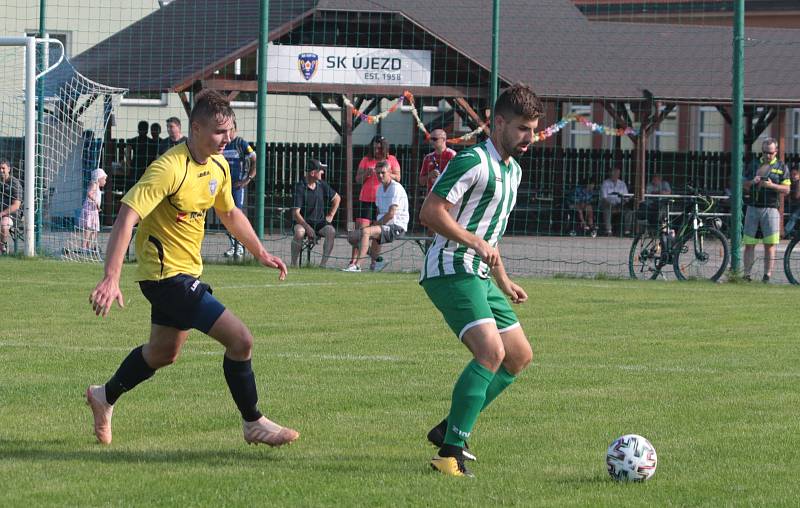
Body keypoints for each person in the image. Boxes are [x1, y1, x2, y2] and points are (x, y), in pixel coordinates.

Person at [86, 89, 298, 447]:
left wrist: (260, 251)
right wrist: (111, 277)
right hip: (165, 277)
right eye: (219, 132)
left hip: (185, 274)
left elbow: (229, 213)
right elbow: (128, 214)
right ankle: (253, 422)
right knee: (241, 340)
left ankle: (103, 396)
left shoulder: (218, 166)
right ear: (195, 129)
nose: (226, 139)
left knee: (163, 353)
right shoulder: (169, 167)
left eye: (229, 131)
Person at [418, 83, 543, 477]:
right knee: (491, 353)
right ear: (499, 123)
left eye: (534, 129)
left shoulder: (514, 172)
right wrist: (473, 242)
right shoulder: (472, 160)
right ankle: (448, 453)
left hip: (481, 274)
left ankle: (450, 425)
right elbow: (431, 212)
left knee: (519, 356)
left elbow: (490, 236)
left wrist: (504, 280)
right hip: (451, 268)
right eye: (523, 128)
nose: (530, 137)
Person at [343, 160, 409, 272]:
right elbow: (379, 212)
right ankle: (378, 259)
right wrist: (375, 225)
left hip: (396, 226)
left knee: (366, 232)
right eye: (378, 173)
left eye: (383, 172)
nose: (380, 175)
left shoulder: (395, 188)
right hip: (383, 225)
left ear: (390, 172)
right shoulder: (379, 189)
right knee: (352, 237)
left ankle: (357, 266)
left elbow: (391, 214)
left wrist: (373, 226)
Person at [742, 138, 790, 282]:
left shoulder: (782, 167)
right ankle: (746, 275)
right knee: (749, 244)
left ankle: (766, 276)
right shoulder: (754, 164)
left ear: (775, 152)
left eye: (770, 153)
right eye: (764, 152)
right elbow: (743, 184)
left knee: (769, 245)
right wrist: (753, 182)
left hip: (771, 209)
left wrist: (771, 186)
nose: (767, 155)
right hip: (752, 207)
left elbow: (787, 189)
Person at [291, 159, 340, 268]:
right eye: (321, 170)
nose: (323, 172)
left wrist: (330, 216)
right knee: (299, 232)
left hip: (319, 223)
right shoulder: (300, 187)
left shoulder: (322, 184)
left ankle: (322, 265)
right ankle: (293, 265)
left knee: (331, 231)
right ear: (313, 173)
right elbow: (296, 213)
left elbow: (337, 198)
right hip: (302, 222)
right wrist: (308, 228)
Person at [222, 120, 257, 258]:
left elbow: (254, 158)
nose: (226, 133)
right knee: (225, 217)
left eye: (229, 129)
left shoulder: (240, 143)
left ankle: (240, 246)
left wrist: (248, 178)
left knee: (236, 215)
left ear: (235, 129)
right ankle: (233, 245)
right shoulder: (222, 144)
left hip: (237, 186)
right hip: (223, 187)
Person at [355, 135, 401, 229]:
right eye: (374, 148)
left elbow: (398, 178)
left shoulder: (391, 159)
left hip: (384, 200)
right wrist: (366, 173)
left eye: (379, 148)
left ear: (384, 148)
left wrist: (384, 173)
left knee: (378, 230)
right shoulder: (366, 160)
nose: (376, 151)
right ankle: (362, 244)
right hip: (366, 199)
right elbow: (358, 179)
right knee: (362, 229)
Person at [418, 129, 456, 195]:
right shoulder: (428, 157)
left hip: (447, 194)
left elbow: (456, 177)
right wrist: (429, 175)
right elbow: (421, 182)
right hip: (431, 195)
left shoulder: (451, 155)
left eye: (434, 139)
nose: (431, 141)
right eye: (430, 138)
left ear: (444, 140)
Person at [79, 168, 108, 253]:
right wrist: (95, 201)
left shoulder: (97, 187)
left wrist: (97, 206)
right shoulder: (94, 184)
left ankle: (89, 246)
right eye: (104, 179)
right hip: (90, 210)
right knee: (88, 228)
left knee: (94, 230)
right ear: (99, 178)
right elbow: (89, 194)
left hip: (94, 210)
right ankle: (84, 246)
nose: (105, 182)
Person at [600, 168, 633, 236]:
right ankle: (609, 231)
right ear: (610, 174)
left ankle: (627, 231)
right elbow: (604, 198)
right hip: (608, 204)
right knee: (607, 209)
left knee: (629, 211)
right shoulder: (605, 183)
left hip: (620, 204)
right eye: (614, 173)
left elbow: (626, 197)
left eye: (617, 174)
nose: (615, 175)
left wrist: (621, 204)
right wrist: (611, 205)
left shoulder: (622, 184)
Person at [0, 159, 22, 255]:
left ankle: (2, 247)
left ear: (8, 169)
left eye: (3, 168)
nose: (1, 170)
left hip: (11, 215)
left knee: (4, 225)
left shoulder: (14, 183)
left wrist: (2, 213)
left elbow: (16, 206)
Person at [125, 121, 151, 188]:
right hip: (146, 165)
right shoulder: (150, 142)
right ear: (147, 130)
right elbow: (127, 153)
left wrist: (129, 164)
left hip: (136, 166)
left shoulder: (133, 141)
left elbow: (127, 153)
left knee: (133, 185)